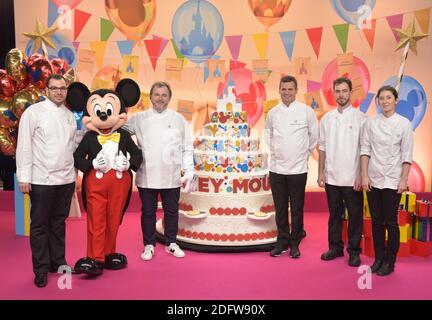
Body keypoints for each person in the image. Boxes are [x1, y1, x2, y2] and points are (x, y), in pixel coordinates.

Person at [16, 74, 76, 287]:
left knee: (58, 224)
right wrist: (24, 177)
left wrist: (74, 176)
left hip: (66, 179)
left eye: (63, 88)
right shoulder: (33, 113)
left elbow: (70, 148)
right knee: (40, 225)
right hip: (41, 178)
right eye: (55, 88)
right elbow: (24, 146)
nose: (59, 92)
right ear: (46, 90)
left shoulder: (70, 115)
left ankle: (58, 262)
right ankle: (40, 268)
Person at [123, 81, 195, 261]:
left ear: (169, 98)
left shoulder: (179, 119)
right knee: (148, 212)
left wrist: (188, 170)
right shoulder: (139, 118)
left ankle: (171, 242)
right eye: (157, 94)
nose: (160, 98)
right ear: (151, 97)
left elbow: (187, 147)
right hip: (147, 174)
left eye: (164, 95)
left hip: (171, 175)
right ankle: (149, 244)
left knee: (171, 211)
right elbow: (119, 131)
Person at [360, 85, 413, 276]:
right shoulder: (371, 123)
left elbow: (407, 155)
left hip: (392, 179)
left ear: (395, 100)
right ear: (378, 101)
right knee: (376, 222)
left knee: (391, 223)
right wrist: (364, 175)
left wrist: (403, 179)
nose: (385, 101)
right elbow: (365, 150)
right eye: (381, 98)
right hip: (373, 178)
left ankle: (391, 261)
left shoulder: (404, 124)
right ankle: (379, 258)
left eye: (388, 98)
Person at [265, 75, 318, 258]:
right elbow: (268, 135)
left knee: (297, 209)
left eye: (290, 89)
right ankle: (282, 241)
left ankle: (295, 243)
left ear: (296, 91)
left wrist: (305, 153)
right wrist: (275, 151)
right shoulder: (272, 113)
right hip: (277, 169)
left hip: (298, 169)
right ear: (279, 90)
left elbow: (314, 136)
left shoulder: (306, 111)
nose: (287, 92)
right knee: (280, 209)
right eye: (284, 89)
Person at [318, 77, 367, 267]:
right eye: (337, 91)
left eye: (344, 91)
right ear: (333, 93)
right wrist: (321, 171)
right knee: (334, 214)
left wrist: (361, 175)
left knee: (355, 216)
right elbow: (322, 147)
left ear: (351, 93)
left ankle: (354, 251)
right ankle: (335, 247)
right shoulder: (327, 119)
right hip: (332, 176)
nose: (341, 95)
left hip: (352, 178)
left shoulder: (361, 119)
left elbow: (365, 149)